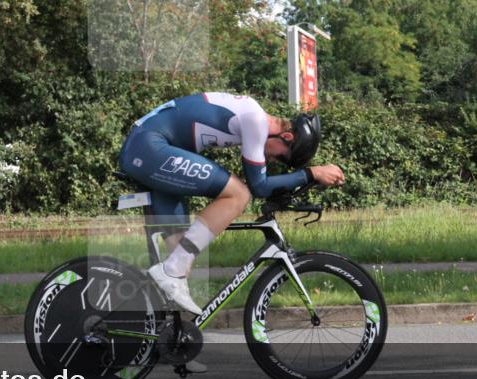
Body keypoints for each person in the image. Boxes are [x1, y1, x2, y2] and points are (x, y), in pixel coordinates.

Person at [118, 92, 345, 316]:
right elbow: (259, 187)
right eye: (282, 157)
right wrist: (311, 173)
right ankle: (170, 273)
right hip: (149, 146)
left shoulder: (252, 116)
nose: (273, 160)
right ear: (286, 137)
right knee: (239, 194)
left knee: (180, 255)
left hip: (155, 147)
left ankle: (161, 333)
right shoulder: (256, 121)